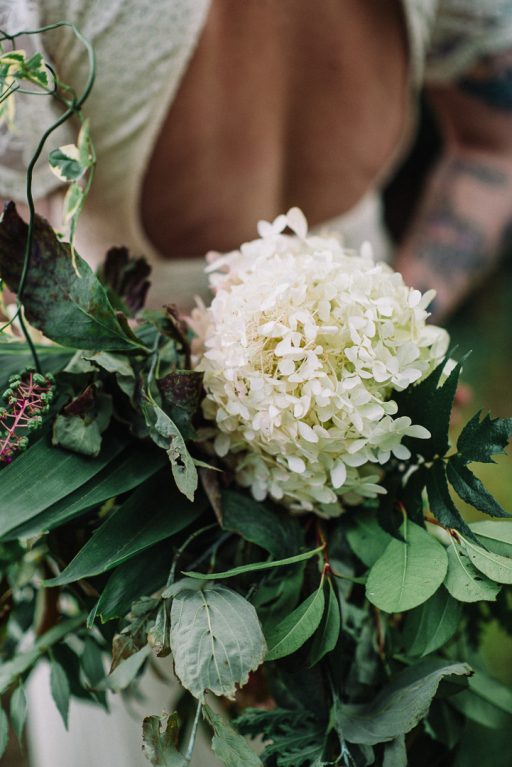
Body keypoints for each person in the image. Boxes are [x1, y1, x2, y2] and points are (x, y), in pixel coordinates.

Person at [1, 2, 512, 766]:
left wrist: (386, 349)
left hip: (135, 497)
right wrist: (399, 326)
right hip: (322, 476)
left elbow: (23, 285)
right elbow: (494, 141)